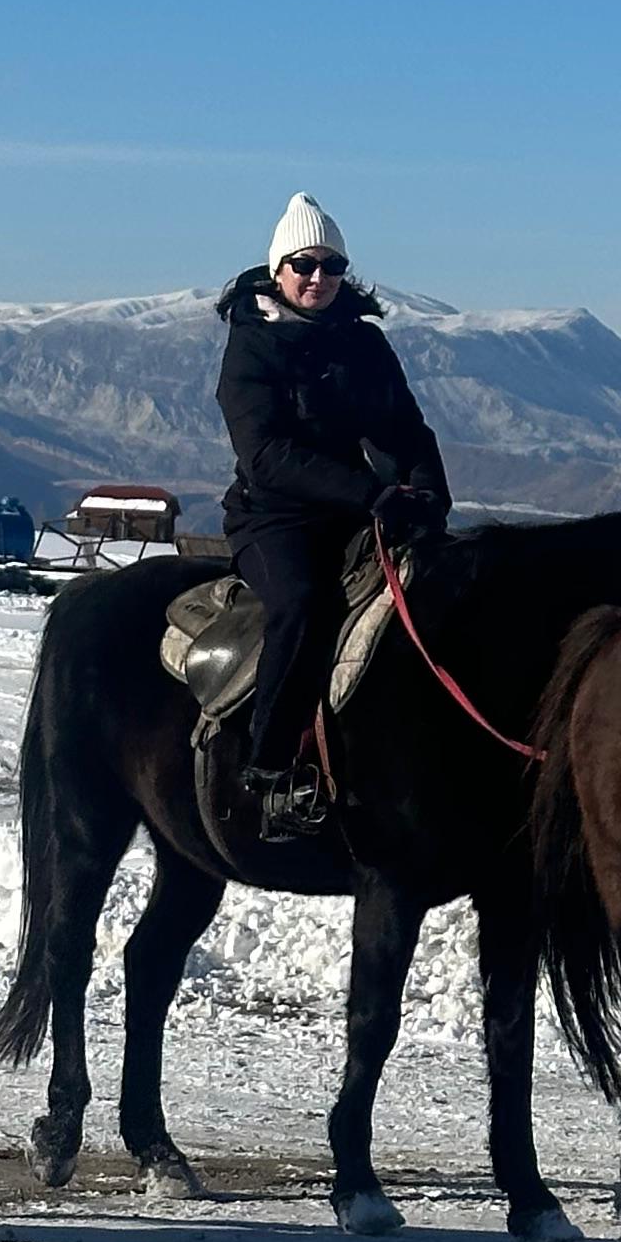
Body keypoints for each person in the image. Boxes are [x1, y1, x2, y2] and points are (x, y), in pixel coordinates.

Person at [215, 194, 452, 837]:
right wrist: (370, 493)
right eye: (304, 265)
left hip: (356, 510)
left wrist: (430, 498)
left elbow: (405, 429)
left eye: (332, 265)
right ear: (278, 270)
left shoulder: (363, 345)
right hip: (274, 518)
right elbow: (265, 454)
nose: (318, 277)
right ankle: (267, 768)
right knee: (305, 605)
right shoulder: (252, 347)